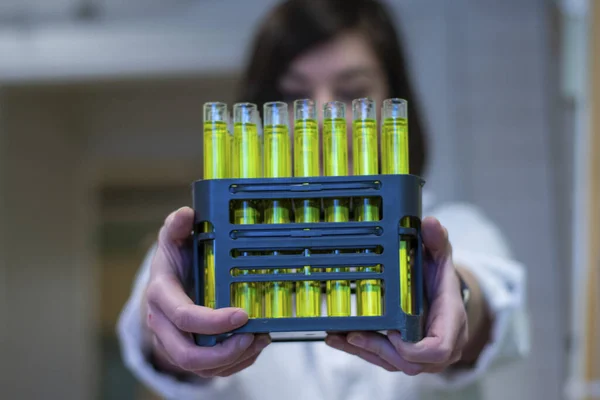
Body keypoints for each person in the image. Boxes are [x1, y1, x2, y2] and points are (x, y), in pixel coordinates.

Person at [117, 0, 529, 399]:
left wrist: (450, 294)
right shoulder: (201, 247)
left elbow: (490, 303)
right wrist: (171, 315)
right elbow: (152, 330)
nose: (320, 116)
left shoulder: (456, 226)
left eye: (352, 92)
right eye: (294, 96)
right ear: (259, 114)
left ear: (391, 105)